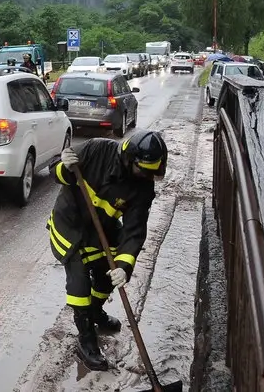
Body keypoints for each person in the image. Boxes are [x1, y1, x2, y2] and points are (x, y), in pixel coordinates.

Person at [46, 129, 168, 371]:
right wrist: (64, 166)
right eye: (142, 169)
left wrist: (124, 266)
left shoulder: (144, 189)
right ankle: (87, 339)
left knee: (108, 272)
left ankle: (94, 312)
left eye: (151, 172)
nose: (146, 176)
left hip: (102, 226)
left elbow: (134, 230)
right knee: (79, 277)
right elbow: (57, 172)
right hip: (69, 224)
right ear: (128, 158)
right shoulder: (96, 148)